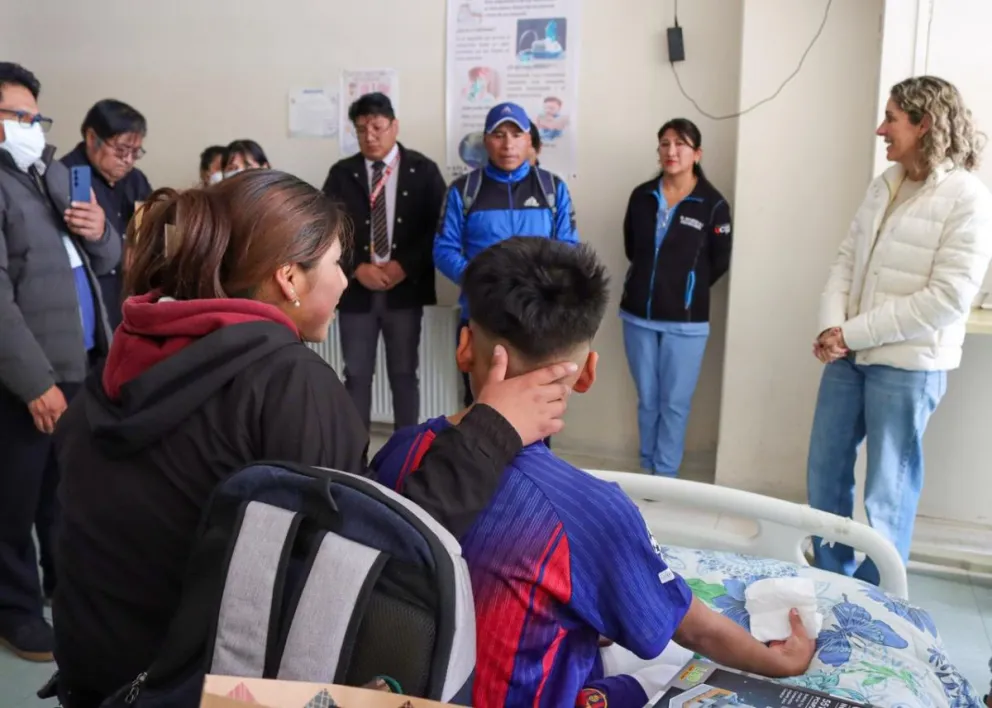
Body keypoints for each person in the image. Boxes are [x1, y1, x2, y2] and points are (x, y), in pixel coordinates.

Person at [50, 170, 576, 707]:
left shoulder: (125, 358)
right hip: (200, 690)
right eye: (335, 264)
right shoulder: (287, 384)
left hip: (95, 677)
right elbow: (369, 562)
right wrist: (492, 428)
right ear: (289, 279)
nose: (344, 282)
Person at [372, 237, 814, 708]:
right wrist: (778, 663)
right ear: (586, 374)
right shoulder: (588, 512)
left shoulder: (399, 451)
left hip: (407, 687)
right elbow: (692, 629)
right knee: (662, 671)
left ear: (464, 348)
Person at [808, 76, 992, 584]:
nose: (880, 129)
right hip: (849, 357)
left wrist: (851, 333)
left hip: (907, 367)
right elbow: (847, 259)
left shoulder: (966, 198)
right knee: (824, 474)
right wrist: (832, 326)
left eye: (891, 118)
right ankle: (831, 582)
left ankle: (878, 598)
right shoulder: (885, 184)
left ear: (924, 123)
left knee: (887, 493)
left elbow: (947, 298)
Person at [0, 62, 118, 663]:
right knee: (13, 501)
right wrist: (33, 383)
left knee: (63, 492)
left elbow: (109, 259)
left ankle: (58, 587)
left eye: (35, 116)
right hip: (26, 377)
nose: (30, 126)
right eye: (16, 116)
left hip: (79, 363)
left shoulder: (48, 174)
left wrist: (99, 230)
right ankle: (14, 609)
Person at [435, 101, 579, 407]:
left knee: (539, 405)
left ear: (529, 140)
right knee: (481, 405)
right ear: (486, 141)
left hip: (538, 318)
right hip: (482, 316)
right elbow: (444, 248)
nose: (508, 144)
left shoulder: (552, 189)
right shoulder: (464, 190)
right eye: (499, 134)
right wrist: (482, 282)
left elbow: (568, 246)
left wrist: (537, 285)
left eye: (516, 134)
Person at [322, 93, 446, 431]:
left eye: (377, 127)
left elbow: (438, 227)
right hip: (356, 291)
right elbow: (329, 229)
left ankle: (405, 449)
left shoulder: (423, 170)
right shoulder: (342, 173)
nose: (370, 136)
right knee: (356, 375)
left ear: (394, 126)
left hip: (404, 290)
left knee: (404, 374)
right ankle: (356, 451)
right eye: (361, 129)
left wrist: (404, 265)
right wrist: (356, 267)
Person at [619, 119, 732, 477]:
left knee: (674, 404)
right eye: (665, 143)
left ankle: (665, 476)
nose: (671, 151)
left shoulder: (713, 205)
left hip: (686, 323)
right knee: (648, 400)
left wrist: (685, 289)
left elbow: (719, 262)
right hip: (637, 317)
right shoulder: (641, 196)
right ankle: (647, 468)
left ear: (697, 154)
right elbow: (631, 247)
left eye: (680, 144)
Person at [62, 99, 153, 331]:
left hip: (128, 293)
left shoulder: (135, 180)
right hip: (89, 296)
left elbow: (146, 224)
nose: (128, 160)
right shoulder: (67, 177)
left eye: (135, 152)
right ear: (92, 138)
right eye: (121, 150)